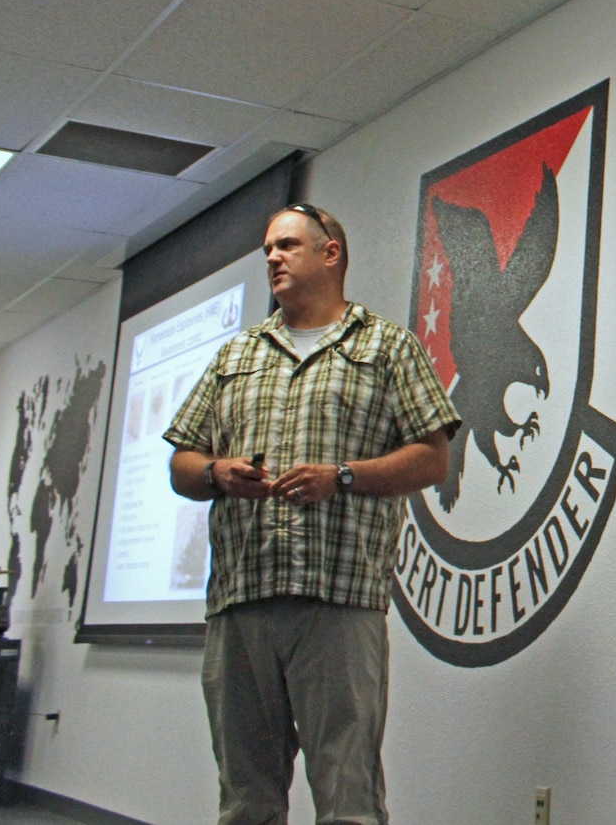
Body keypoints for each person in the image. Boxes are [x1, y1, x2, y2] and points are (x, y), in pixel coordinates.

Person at [165, 203, 459, 825]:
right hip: (242, 601)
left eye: (287, 245)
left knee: (346, 794)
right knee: (246, 798)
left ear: (331, 254)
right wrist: (218, 474)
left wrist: (344, 476)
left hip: (339, 600)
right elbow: (182, 464)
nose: (272, 256)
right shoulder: (235, 355)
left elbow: (433, 459)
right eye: (268, 247)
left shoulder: (385, 346)